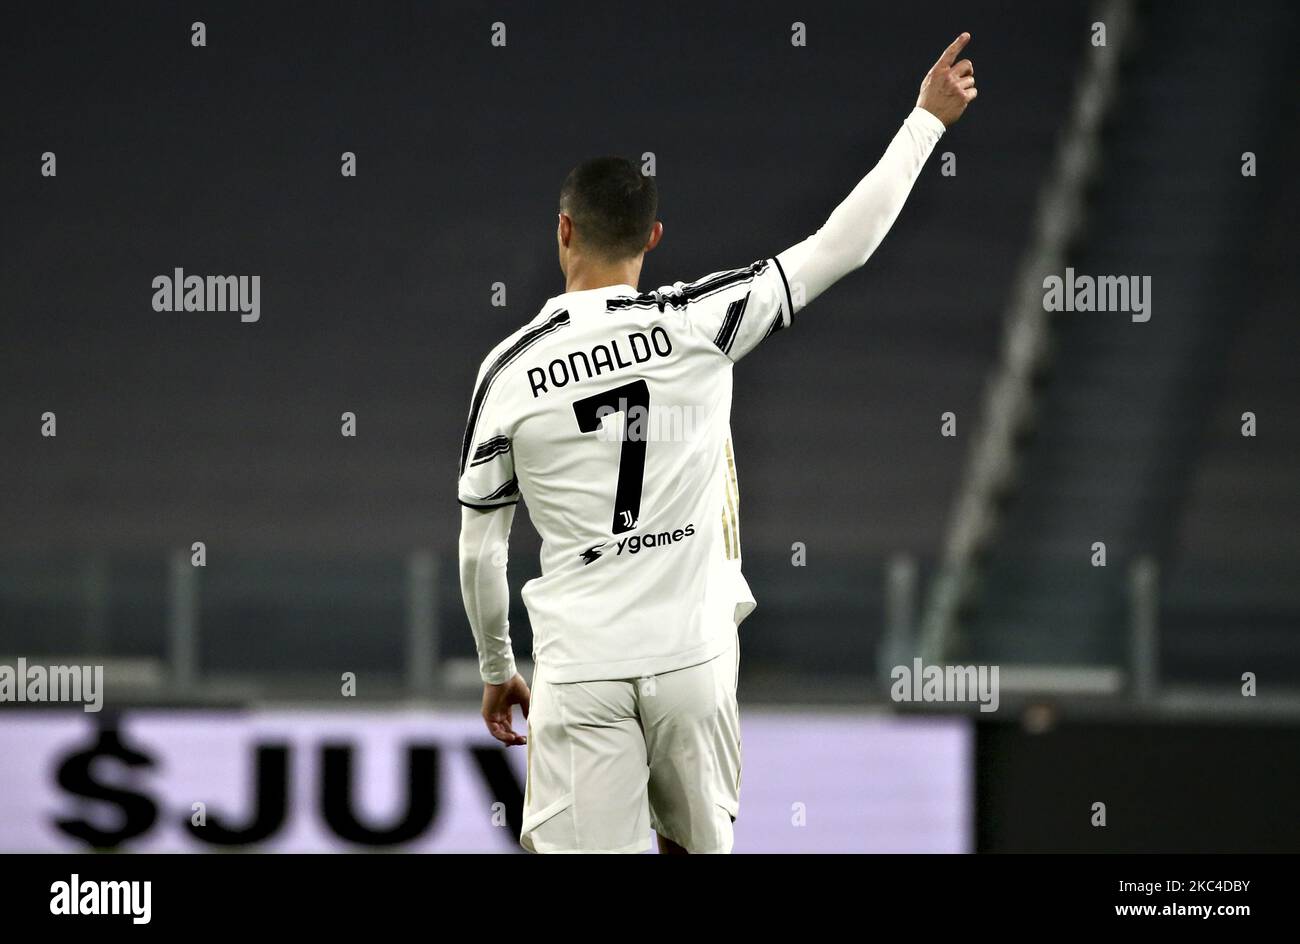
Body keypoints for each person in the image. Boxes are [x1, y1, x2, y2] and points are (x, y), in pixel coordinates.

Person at [458, 32, 978, 854]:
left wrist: (496, 669)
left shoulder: (509, 372)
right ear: (654, 238)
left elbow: (480, 551)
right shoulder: (700, 323)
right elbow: (844, 245)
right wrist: (924, 121)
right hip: (692, 656)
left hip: (580, 661)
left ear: (564, 232)